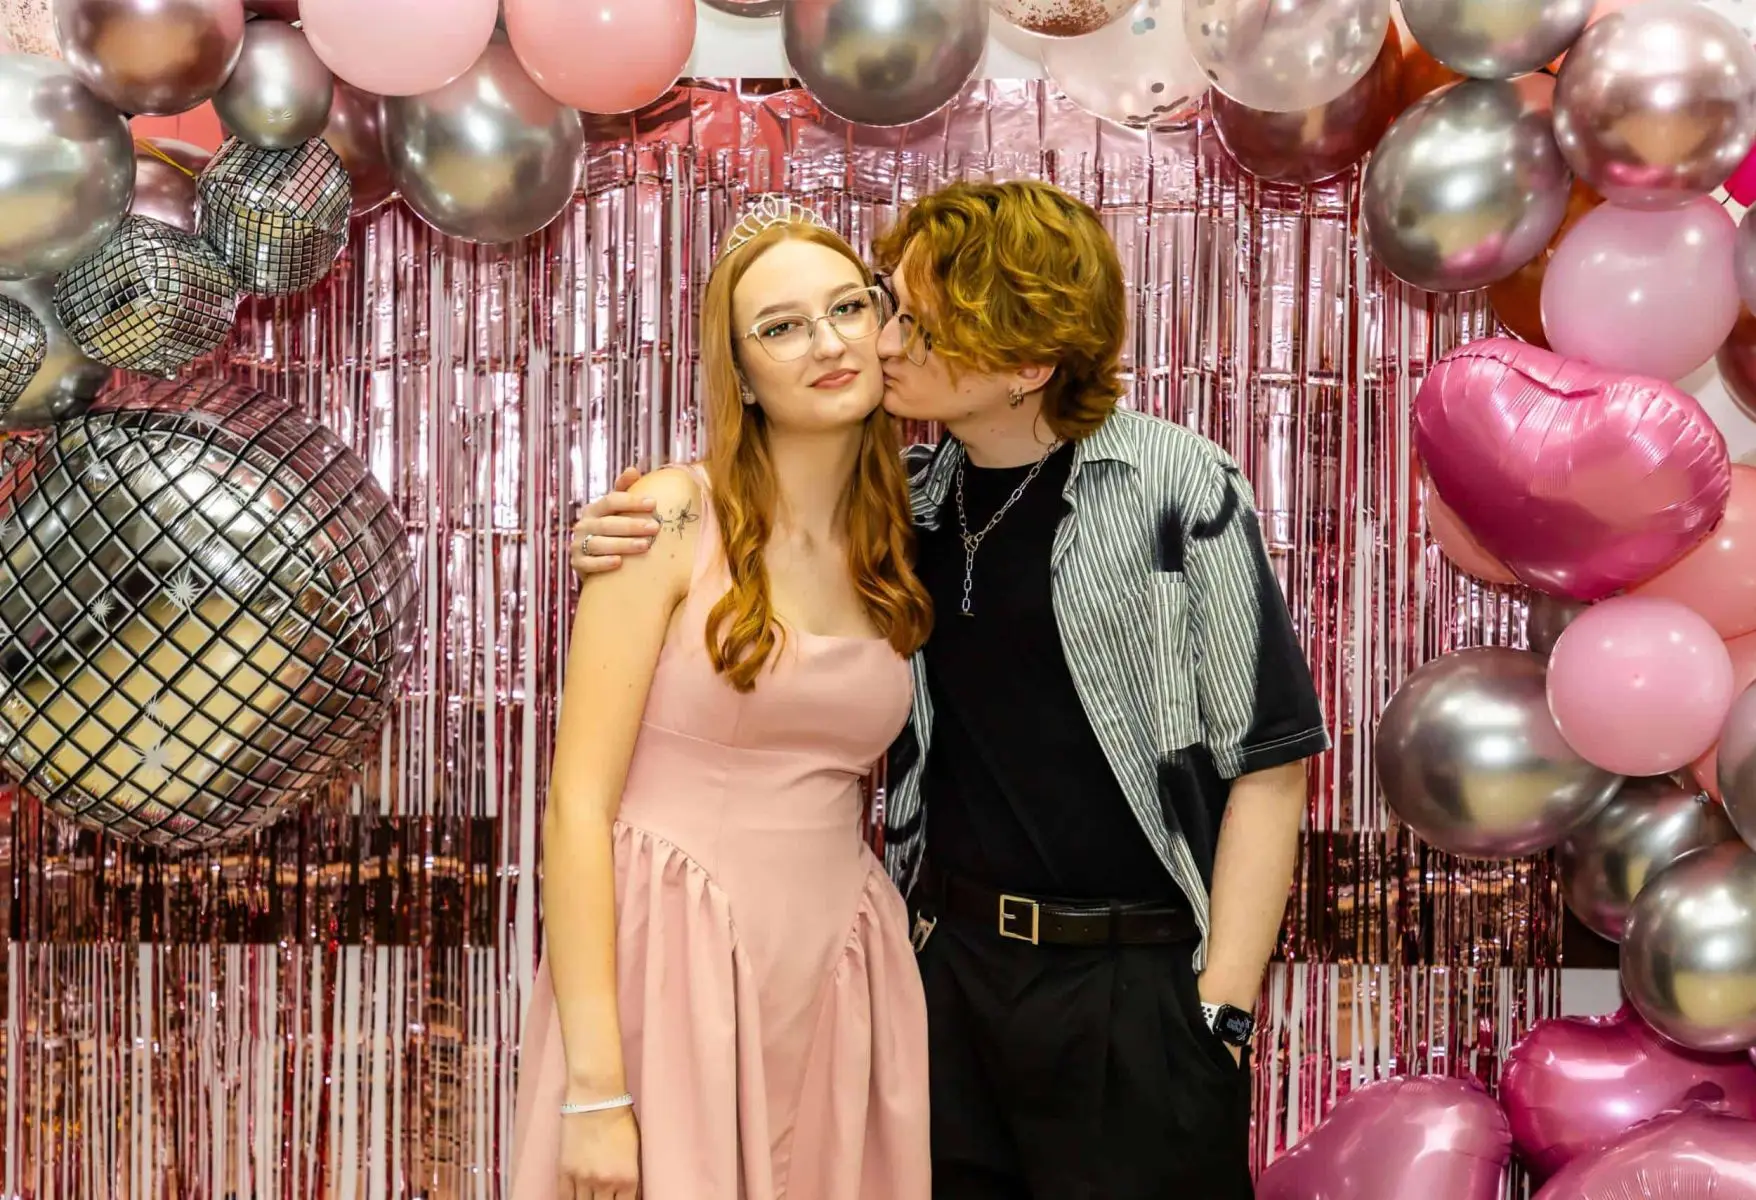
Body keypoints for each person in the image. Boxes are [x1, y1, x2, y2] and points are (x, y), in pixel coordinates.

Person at [571, 180, 1328, 1199]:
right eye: (889, 307)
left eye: (916, 327)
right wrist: (613, 532)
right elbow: (754, 548)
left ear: (1025, 364)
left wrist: (1220, 1010)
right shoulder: (909, 512)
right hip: (944, 983)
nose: (882, 343)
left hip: (1132, 993)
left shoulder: (1174, 484)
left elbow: (1270, 763)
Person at [512, 197, 934, 1200]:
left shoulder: (906, 531)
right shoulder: (669, 516)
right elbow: (576, 809)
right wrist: (595, 1089)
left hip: (836, 968)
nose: (827, 343)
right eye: (781, 327)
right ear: (740, 372)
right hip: (672, 962)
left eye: (847, 308)